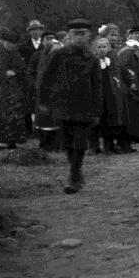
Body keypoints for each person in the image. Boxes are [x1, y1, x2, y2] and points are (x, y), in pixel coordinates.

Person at [36, 19, 102, 194]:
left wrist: (97, 111)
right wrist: (43, 101)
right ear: (69, 35)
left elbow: (97, 86)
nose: (79, 38)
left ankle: (74, 175)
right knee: (67, 141)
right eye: (75, 34)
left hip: (84, 106)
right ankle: (76, 171)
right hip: (62, 104)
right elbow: (45, 79)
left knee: (80, 141)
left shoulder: (92, 59)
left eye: (83, 34)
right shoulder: (58, 55)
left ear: (89, 36)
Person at [90, 36, 127, 154]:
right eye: (99, 47)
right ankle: (94, 146)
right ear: (95, 49)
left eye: (104, 47)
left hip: (110, 94)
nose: (102, 49)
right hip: (97, 95)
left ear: (108, 48)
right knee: (96, 122)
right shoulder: (93, 62)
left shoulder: (111, 61)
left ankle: (109, 145)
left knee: (109, 120)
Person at [0, 28, 30, 149]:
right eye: (9, 44)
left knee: (15, 115)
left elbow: (23, 69)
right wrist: (4, 74)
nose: (11, 46)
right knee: (1, 114)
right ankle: (1, 140)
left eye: (13, 44)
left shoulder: (15, 53)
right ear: (5, 42)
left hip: (14, 89)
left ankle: (13, 140)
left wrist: (14, 72)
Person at [117, 26, 139, 141]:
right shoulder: (128, 48)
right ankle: (135, 134)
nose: (138, 35)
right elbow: (128, 66)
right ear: (131, 35)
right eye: (135, 33)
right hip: (134, 78)